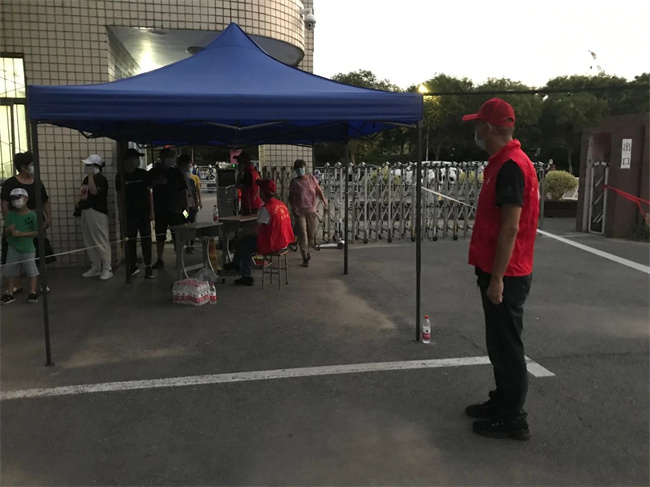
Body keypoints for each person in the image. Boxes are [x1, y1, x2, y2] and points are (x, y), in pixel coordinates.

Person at [461, 98, 540, 440]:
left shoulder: (510, 166)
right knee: (499, 343)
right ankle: (502, 401)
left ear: (490, 127)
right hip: (498, 268)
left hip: (506, 273)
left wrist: (496, 279)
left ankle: (513, 418)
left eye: (479, 124)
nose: (476, 130)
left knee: (507, 347)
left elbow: (510, 227)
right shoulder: (502, 163)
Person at [225, 179, 294, 286]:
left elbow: (255, 228)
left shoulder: (266, 208)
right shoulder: (281, 205)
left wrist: (242, 233)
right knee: (246, 241)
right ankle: (236, 264)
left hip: (273, 243)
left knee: (245, 244)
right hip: (284, 241)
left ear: (262, 192)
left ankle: (245, 275)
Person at [1, 152, 52, 294]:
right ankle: (15, 285)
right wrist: (9, 222)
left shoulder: (37, 183)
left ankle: (42, 283)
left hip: (35, 219)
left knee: (40, 252)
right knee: (13, 254)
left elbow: (45, 201)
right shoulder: (10, 183)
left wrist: (48, 217)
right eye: (32, 164)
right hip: (16, 221)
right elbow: (4, 204)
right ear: (23, 167)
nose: (35, 167)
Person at [115, 148, 154, 279]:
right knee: (130, 240)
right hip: (129, 214)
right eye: (134, 158)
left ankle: (148, 266)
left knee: (146, 239)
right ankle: (133, 264)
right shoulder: (120, 176)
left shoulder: (143, 174)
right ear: (127, 160)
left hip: (144, 213)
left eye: (138, 158)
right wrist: (121, 214)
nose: (137, 160)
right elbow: (119, 196)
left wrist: (151, 211)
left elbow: (149, 192)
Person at [150, 148, 188, 269]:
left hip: (176, 209)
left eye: (172, 157)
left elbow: (184, 191)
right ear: (162, 157)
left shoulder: (176, 172)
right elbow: (148, 186)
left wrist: (186, 208)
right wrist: (158, 181)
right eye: (169, 156)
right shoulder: (154, 171)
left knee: (177, 234)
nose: (171, 159)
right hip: (160, 208)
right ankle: (159, 258)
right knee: (160, 235)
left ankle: (179, 258)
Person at [1, 188, 39, 304]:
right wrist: (9, 230)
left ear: (26, 199)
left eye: (17, 198)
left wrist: (21, 234)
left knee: (31, 270)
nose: (15, 201)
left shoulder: (32, 215)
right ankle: (10, 292)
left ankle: (32, 292)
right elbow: (5, 233)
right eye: (13, 199)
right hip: (13, 247)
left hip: (27, 247)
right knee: (10, 270)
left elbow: (37, 232)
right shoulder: (10, 215)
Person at [78, 154, 113, 280]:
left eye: (89, 165)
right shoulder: (86, 179)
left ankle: (107, 268)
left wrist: (91, 176)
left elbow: (94, 192)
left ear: (96, 166)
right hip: (86, 210)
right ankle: (96, 266)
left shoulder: (100, 179)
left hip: (97, 212)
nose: (86, 167)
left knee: (101, 240)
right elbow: (84, 193)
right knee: (89, 240)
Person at [288, 159, 327, 267]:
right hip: (299, 211)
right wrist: (293, 207)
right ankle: (304, 256)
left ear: (305, 168)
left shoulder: (312, 179)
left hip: (311, 210)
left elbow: (318, 190)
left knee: (310, 233)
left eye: (301, 168)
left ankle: (308, 249)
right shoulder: (294, 182)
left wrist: (324, 200)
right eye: (297, 169)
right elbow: (290, 197)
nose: (300, 170)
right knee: (302, 233)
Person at [177, 154, 200, 254]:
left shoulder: (190, 179)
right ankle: (188, 245)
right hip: (184, 208)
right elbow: (184, 194)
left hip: (191, 207)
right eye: (187, 164)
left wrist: (196, 204)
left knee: (191, 223)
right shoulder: (180, 178)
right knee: (186, 224)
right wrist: (187, 206)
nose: (189, 166)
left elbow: (193, 193)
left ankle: (190, 243)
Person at [235, 151, 262, 215]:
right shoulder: (254, 172)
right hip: (255, 203)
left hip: (249, 206)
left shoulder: (248, 174)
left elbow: (238, 186)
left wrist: (240, 173)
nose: (238, 164)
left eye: (239, 162)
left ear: (244, 162)